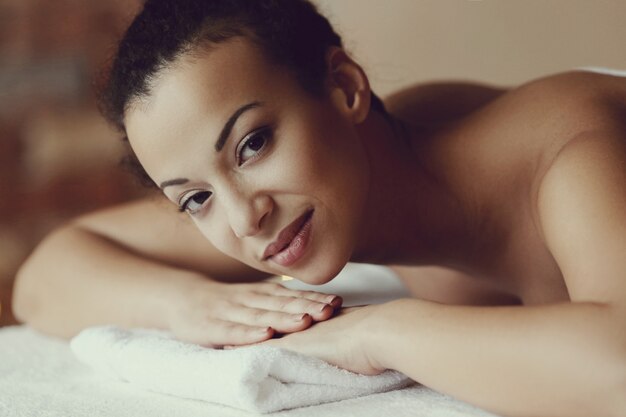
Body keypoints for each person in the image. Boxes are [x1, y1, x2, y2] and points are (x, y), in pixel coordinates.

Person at [12, 1, 626, 416]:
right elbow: (44, 278)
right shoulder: (276, 204)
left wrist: (379, 332)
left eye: (252, 144)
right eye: (194, 198)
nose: (243, 219)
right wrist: (196, 303)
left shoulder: (571, 148)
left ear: (345, 88)